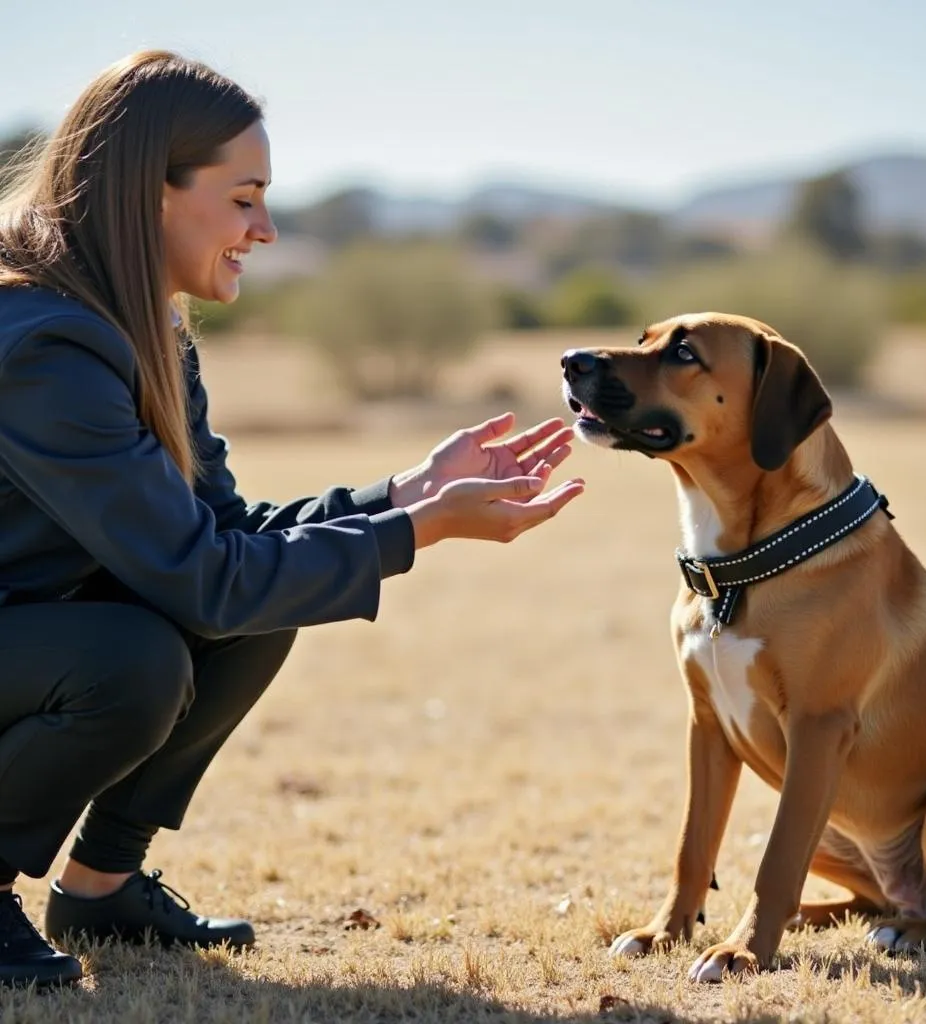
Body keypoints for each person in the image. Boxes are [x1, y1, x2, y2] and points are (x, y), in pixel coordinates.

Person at [0, 49, 584, 989]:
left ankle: (101, 888)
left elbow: (229, 534)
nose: (265, 230)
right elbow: (206, 575)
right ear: (152, 193)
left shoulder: (136, 323)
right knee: (134, 660)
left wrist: (403, 493)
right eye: (243, 198)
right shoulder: (45, 346)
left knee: (264, 602)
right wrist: (422, 530)